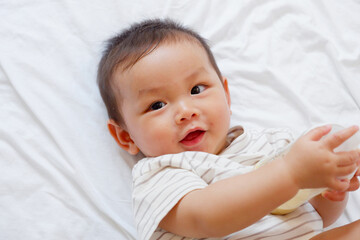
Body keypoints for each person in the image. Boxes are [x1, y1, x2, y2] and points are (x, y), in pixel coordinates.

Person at [97, 18, 360, 240]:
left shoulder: (274, 144)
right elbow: (204, 218)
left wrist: (327, 190)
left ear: (226, 95)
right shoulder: (158, 174)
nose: (186, 111)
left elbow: (317, 220)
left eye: (196, 90)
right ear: (125, 135)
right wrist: (291, 173)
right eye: (157, 104)